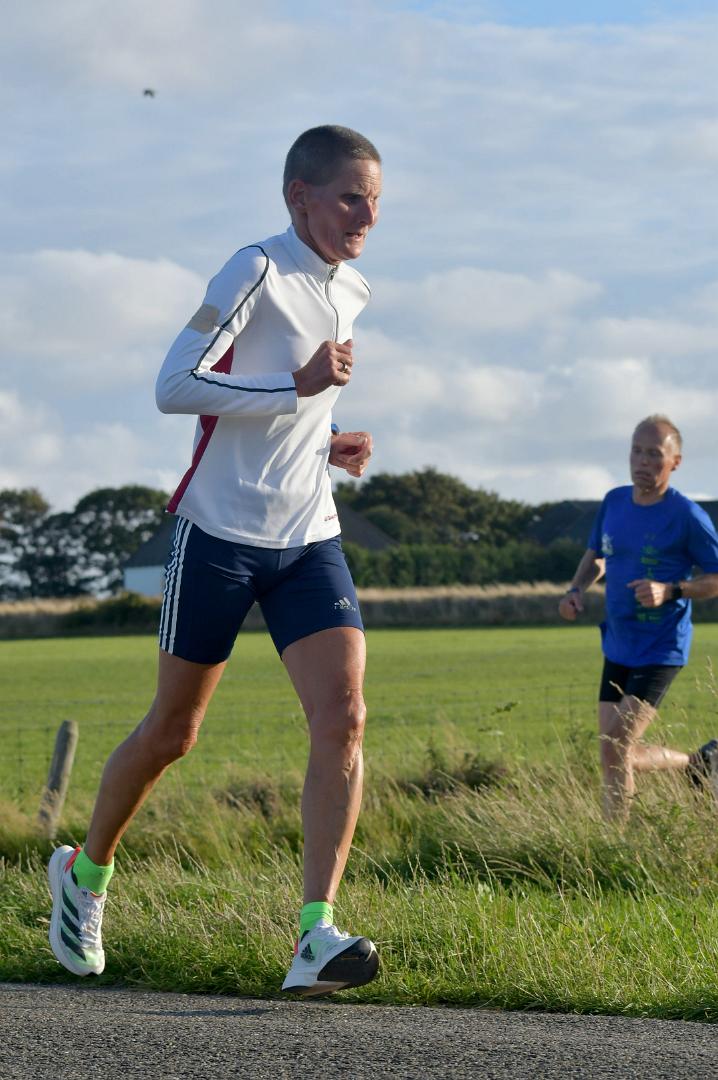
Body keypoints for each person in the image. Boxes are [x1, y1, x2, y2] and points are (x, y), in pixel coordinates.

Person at [48, 125, 383, 995]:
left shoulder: (352, 289)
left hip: (308, 535)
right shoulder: (254, 269)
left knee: (344, 716)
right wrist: (294, 389)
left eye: (376, 201)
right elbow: (176, 386)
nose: (367, 216)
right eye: (351, 197)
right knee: (174, 732)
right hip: (218, 535)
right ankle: (84, 876)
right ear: (299, 196)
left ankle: (315, 935)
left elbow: (286, 413)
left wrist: (324, 442)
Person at [558, 415, 718, 821]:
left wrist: (672, 590)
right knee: (612, 752)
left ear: (675, 462)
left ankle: (616, 838)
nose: (642, 461)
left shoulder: (687, 516)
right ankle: (699, 764)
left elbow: (715, 578)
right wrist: (576, 589)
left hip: (661, 647)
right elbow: (597, 556)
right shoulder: (614, 502)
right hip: (618, 643)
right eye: (636, 451)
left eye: (654, 454)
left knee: (617, 745)